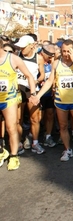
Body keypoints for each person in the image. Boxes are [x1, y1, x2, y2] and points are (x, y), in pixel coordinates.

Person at [29, 40, 73, 161]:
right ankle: (67, 149)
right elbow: (49, 81)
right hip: (60, 101)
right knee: (63, 126)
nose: (65, 54)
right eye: (63, 51)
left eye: (68, 51)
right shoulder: (56, 63)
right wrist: (38, 96)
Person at [0, 38, 36, 170]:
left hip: (9, 98)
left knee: (11, 127)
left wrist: (32, 94)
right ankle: (2, 151)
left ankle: (14, 156)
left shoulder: (13, 59)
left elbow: (29, 76)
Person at [15, 35, 46, 154]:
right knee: (18, 119)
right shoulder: (16, 56)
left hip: (31, 90)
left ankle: (35, 143)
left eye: (24, 47)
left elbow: (42, 75)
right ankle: (18, 143)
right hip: (18, 88)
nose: (21, 49)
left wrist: (35, 81)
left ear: (32, 46)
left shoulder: (39, 58)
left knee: (35, 118)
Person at [38, 43, 57, 147]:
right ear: (43, 53)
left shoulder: (53, 63)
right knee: (38, 117)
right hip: (39, 93)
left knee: (50, 114)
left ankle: (48, 136)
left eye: (53, 55)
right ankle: (34, 136)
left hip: (49, 93)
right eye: (49, 56)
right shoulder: (38, 61)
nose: (51, 58)